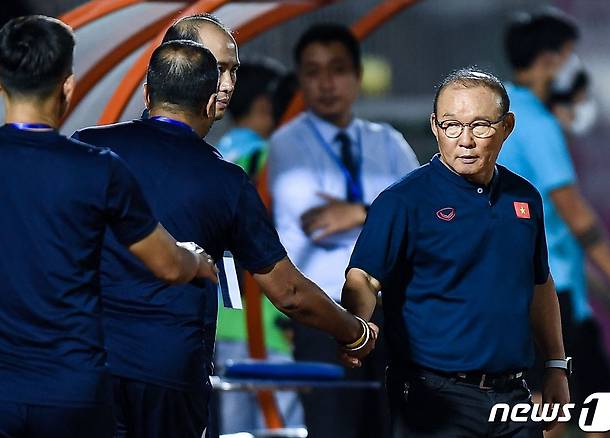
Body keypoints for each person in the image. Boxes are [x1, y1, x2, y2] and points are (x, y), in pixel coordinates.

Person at [73, 40, 376, 438]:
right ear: (211, 100)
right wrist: (354, 331)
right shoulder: (226, 180)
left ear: (147, 94)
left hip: (89, 362)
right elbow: (288, 292)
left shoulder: (88, 146)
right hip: (171, 372)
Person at [0, 16, 217, 438]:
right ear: (68, 85)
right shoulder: (97, 169)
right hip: (72, 391)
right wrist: (196, 261)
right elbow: (168, 265)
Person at [341, 67, 571, 437]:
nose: (465, 140)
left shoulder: (525, 197)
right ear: (435, 126)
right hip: (433, 398)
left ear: (507, 125)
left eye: (480, 126)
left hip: (514, 399)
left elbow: (539, 283)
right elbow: (364, 278)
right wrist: (356, 330)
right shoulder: (403, 201)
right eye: (451, 125)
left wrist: (556, 366)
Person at [268, 23, 419, 438]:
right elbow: (314, 222)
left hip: (392, 314)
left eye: (337, 69)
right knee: (333, 427)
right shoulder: (285, 144)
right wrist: (382, 213)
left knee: (394, 425)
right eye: (313, 72)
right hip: (325, 314)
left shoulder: (386, 140)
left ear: (356, 76)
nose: (326, 83)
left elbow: (421, 216)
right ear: (300, 80)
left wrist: (356, 212)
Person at [499, 12, 610, 437]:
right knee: (585, 415)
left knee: (555, 410)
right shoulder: (534, 122)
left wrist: (606, 294)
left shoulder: (510, 115)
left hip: (539, 292)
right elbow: (573, 212)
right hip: (549, 300)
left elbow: (555, 236)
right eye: (572, 55)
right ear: (552, 59)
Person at [214, 61, 305, 434]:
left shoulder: (218, 157)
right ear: (268, 106)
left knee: (233, 429)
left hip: (223, 320)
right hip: (270, 321)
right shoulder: (271, 163)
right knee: (281, 427)